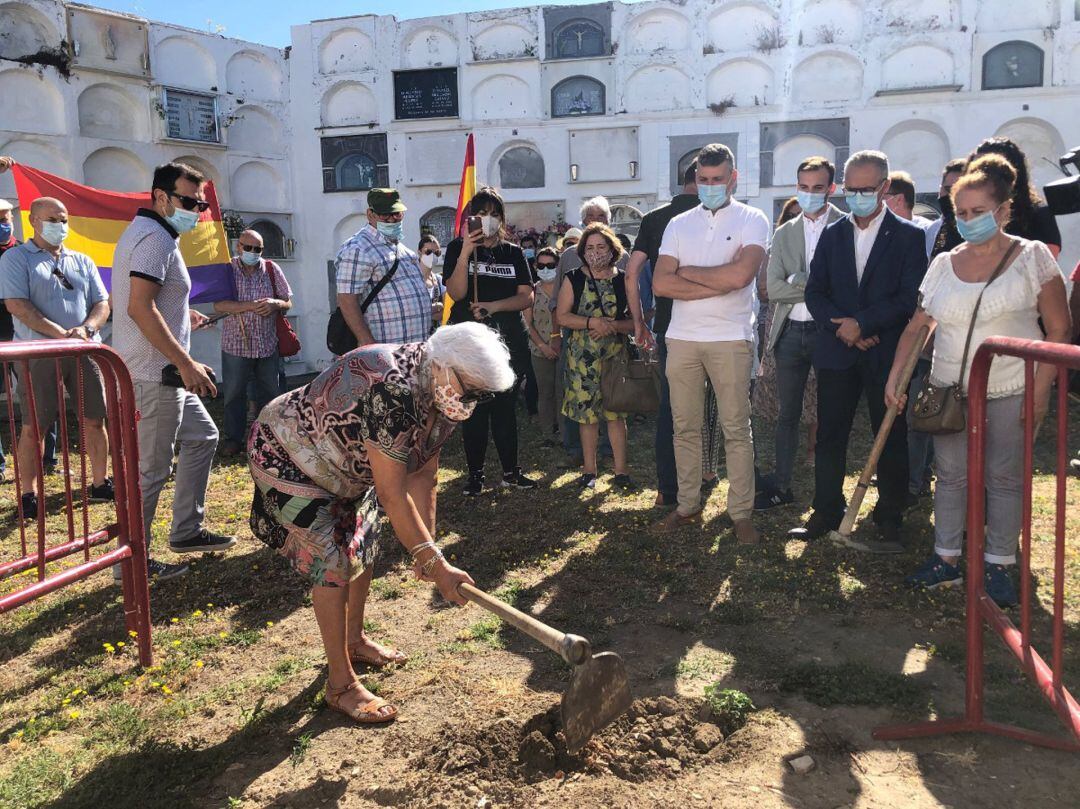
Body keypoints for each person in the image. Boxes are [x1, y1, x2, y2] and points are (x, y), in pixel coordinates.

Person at [247, 323, 507, 723]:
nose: (470, 402)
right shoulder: (393, 389)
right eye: (468, 390)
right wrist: (437, 566)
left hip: (350, 468)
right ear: (439, 365)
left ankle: (354, 640)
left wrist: (428, 550)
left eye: (480, 395)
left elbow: (423, 473)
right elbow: (391, 493)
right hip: (290, 454)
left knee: (362, 547)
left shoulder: (446, 392)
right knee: (333, 562)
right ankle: (340, 685)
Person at [888, 154, 1071, 607]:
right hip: (951, 390)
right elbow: (917, 326)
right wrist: (896, 378)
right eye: (961, 213)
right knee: (949, 476)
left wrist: (1041, 392)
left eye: (978, 212)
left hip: (1011, 389)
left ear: (1004, 209)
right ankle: (946, 559)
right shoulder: (944, 263)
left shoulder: (1031, 258)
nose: (968, 221)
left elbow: (1059, 330)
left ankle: (998, 565)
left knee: (1004, 478)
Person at [790, 150, 928, 551]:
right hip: (837, 351)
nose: (857, 197)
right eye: (851, 190)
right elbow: (816, 292)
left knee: (889, 435)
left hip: (887, 354)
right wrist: (845, 328)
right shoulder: (833, 234)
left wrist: (863, 324)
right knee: (830, 434)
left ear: (885, 188)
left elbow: (908, 298)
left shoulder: (908, 236)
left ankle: (889, 516)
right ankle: (825, 511)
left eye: (866, 190)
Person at [111, 162, 237, 581]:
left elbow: (154, 300)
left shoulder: (160, 234)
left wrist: (185, 316)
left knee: (203, 437)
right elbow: (138, 307)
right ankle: (131, 563)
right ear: (161, 197)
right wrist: (185, 362)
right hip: (154, 373)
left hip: (164, 370)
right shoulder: (154, 239)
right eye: (188, 201)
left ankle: (186, 530)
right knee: (152, 469)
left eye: (200, 204)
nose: (196, 210)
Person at [650, 143, 769, 544]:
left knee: (736, 428)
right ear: (695, 179)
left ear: (733, 178)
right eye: (704, 180)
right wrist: (719, 278)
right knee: (685, 427)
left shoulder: (753, 218)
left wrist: (690, 274)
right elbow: (660, 283)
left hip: (731, 338)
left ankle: (741, 513)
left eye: (718, 180)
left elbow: (742, 277)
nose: (710, 186)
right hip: (682, 339)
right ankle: (687, 505)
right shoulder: (679, 223)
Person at [0, 197, 113, 519]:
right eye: (52, 219)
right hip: (40, 352)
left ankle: (100, 482)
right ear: (33, 220)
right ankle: (27, 494)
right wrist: (60, 334)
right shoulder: (15, 258)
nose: (59, 226)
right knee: (34, 426)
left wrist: (87, 328)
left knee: (94, 418)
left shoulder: (82, 260)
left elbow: (102, 303)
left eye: (63, 219)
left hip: (84, 350)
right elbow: (17, 305)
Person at [628, 160, 725, 508]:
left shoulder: (655, 219)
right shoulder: (715, 215)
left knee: (672, 410)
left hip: (670, 326)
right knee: (716, 407)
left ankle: (668, 490)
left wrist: (639, 322)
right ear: (699, 183)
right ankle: (707, 473)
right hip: (717, 323)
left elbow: (631, 272)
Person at [759, 158, 844, 510]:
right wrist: (814, 287)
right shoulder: (784, 232)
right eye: (803, 187)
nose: (809, 194)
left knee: (831, 415)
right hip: (790, 332)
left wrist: (799, 281)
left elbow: (842, 289)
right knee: (787, 415)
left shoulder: (845, 226)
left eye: (817, 187)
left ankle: (829, 494)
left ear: (831, 188)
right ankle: (781, 486)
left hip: (830, 333)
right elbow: (773, 289)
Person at [443, 186, 538, 495]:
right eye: (481, 214)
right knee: (475, 410)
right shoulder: (458, 248)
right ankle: (475, 475)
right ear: (471, 218)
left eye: (494, 214)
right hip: (470, 345)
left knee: (505, 409)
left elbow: (527, 296)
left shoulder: (512, 253)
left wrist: (494, 307)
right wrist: (467, 253)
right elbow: (455, 293)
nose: (488, 220)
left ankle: (511, 472)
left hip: (508, 341)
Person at [556, 223, 636, 490]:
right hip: (581, 360)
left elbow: (636, 322)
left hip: (615, 358)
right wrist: (592, 322)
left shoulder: (622, 279)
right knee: (587, 417)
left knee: (616, 414)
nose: (595, 252)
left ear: (612, 249)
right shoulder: (573, 278)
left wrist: (611, 326)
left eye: (601, 246)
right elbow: (563, 316)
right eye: (589, 247)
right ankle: (590, 471)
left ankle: (621, 471)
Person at [211, 229, 293, 456]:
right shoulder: (227, 269)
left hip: (267, 343)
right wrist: (250, 305)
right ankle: (233, 439)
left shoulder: (271, 268)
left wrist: (275, 304)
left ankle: (269, 439)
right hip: (236, 344)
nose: (253, 252)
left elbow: (287, 302)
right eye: (248, 248)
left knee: (272, 393)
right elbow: (219, 305)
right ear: (239, 247)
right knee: (234, 394)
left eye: (258, 249)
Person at [335, 188, 431, 348]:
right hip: (383, 353)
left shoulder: (399, 247)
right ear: (370, 214)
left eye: (397, 214)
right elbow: (346, 299)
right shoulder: (358, 248)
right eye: (385, 214)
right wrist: (367, 342)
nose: (392, 219)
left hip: (412, 350)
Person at [970, 137, 1062, 258]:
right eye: (976, 170)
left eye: (991, 169)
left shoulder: (1039, 214)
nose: (982, 177)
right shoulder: (968, 217)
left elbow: (1046, 266)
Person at [524, 247, 561, 445]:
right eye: (541, 265)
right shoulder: (532, 291)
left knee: (562, 391)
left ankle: (566, 433)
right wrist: (543, 346)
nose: (545, 269)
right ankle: (548, 432)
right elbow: (528, 323)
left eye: (551, 265)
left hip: (564, 348)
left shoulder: (565, 288)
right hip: (539, 350)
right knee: (545, 392)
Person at [884, 171, 936, 257]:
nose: (878, 203)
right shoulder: (882, 231)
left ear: (899, 199)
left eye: (883, 197)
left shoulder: (928, 231)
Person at [929, 159, 966, 257]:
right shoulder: (932, 230)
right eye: (948, 189)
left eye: (958, 190)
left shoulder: (973, 232)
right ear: (940, 189)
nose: (951, 195)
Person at [417, 234, 445, 331]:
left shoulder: (439, 280)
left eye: (437, 252)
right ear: (419, 252)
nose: (432, 256)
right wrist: (436, 307)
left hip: (434, 335)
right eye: (428, 252)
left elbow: (445, 311)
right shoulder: (411, 279)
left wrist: (425, 313)